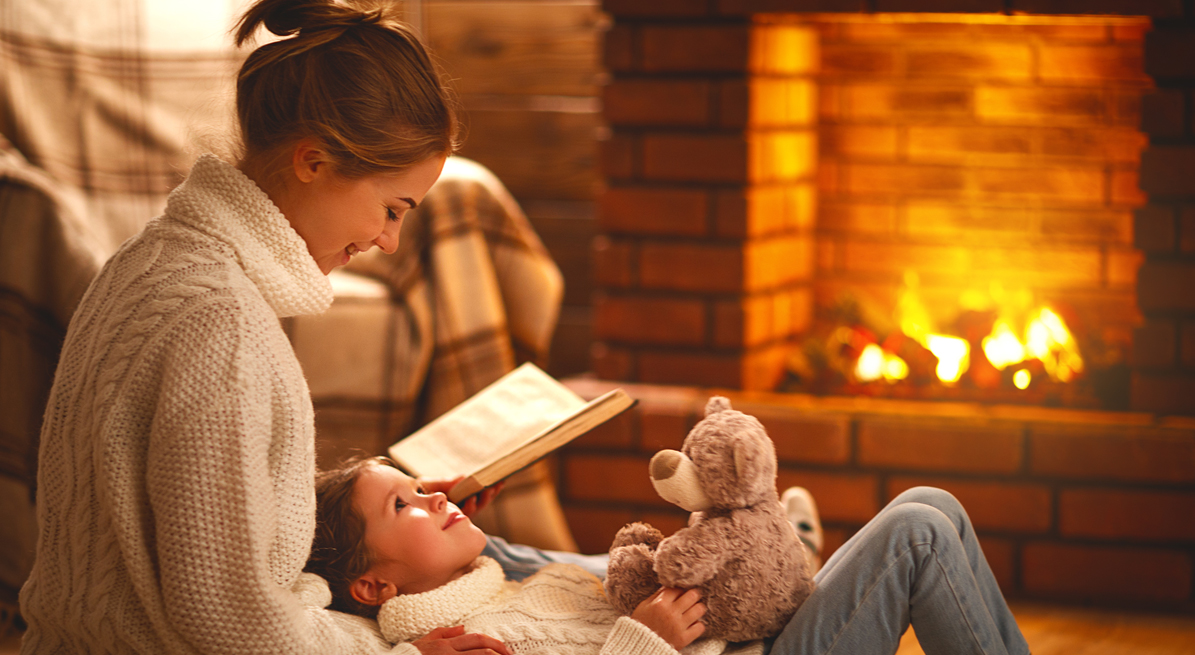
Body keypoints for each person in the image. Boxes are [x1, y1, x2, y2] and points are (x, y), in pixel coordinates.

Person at [18, 0, 506, 652]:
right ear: (313, 162)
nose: (390, 242)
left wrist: (389, 516)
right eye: (391, 209)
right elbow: (229, 618)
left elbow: (193, 504)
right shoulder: (223, 326)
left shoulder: (153, 261)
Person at [307, 456, 1031, 655]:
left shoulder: (486, 580)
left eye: (419, 486)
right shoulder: (460, 643)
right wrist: (642, 640)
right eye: (404, 503)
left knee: (927, 503)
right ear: (371, 585)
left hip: (748, 639)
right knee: (917, 532)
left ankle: (788, 545)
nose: (433, 497)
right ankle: (795, 542)